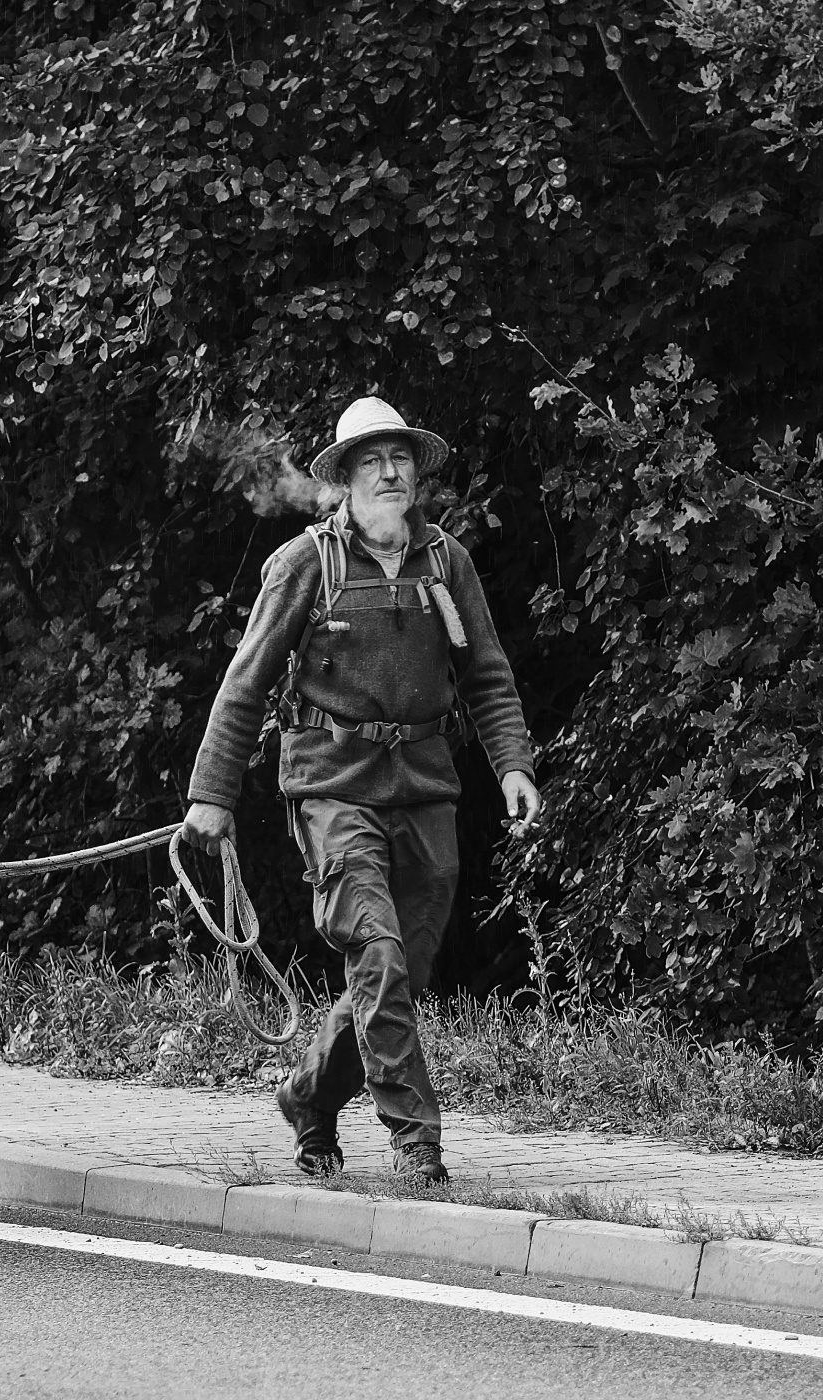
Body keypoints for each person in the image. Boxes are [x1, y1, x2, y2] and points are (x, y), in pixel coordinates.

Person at [182, 396, 543, 1183]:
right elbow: (244, 684)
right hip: (331, 786)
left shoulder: (446, 561)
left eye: (400, 458)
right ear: (343, 479)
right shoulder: (307, 563)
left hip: (424, 786)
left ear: (417, 473)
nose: (388, 471)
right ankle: (417, 1141)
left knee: (396, 974)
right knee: (376, 953)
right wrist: (211, 793)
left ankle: (310, 1098)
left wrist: (512, 764)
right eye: (371, 460)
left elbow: (486, 673)